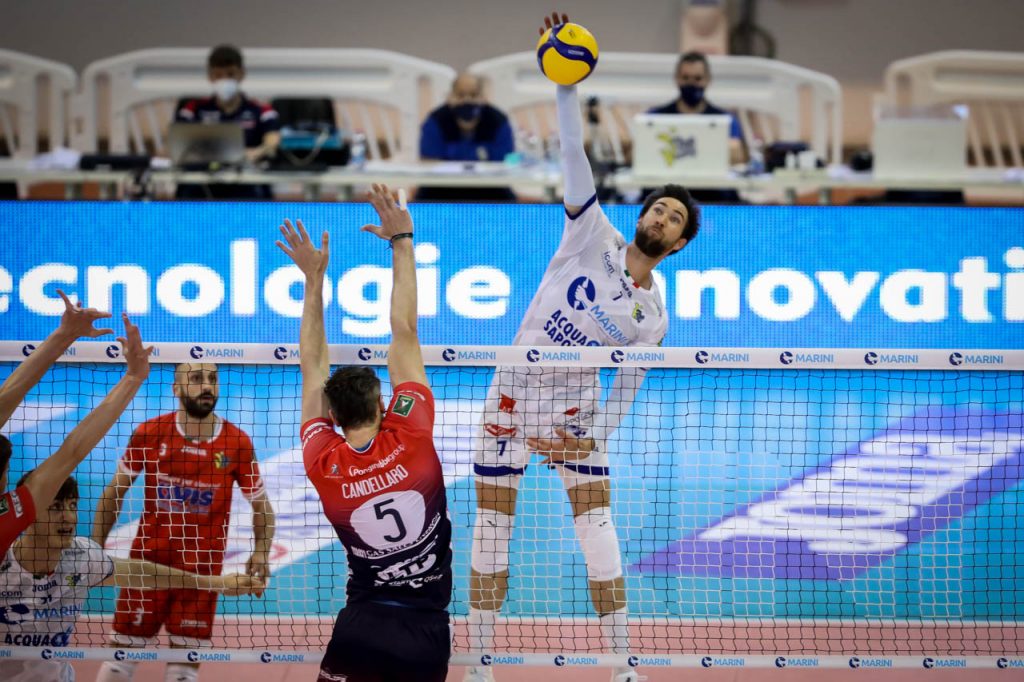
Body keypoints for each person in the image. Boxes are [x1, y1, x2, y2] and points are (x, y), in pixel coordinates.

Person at [463, 14, 701, 682]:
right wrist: (566, 84)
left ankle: (621, 664)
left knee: (599, 535)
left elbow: (628, 386)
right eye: (657, 208)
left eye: (674, 218)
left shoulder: (653, 318)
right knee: (491, 531)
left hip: (575, 412)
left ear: (679, 244)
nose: (661, 218)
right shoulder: (590, 231)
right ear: (641, 215)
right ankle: (479, 663)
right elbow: (573, 152)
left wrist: (593, 435)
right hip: (511, 397)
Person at [281, 185, 452, 681]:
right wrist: (402, 241)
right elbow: (405, 331)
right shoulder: (412, 434)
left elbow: (312, 365)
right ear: (383, 405)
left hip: (361, 623)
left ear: (332, 418)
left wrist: (314, 280)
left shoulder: (323, 459)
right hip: (425, 629)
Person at [92, 361, 276, 682]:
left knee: (183, 670)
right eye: (197, 378)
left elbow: (262, 506)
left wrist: (261, 551)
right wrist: (94, 547)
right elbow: (114, 492)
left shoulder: (237, 442)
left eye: (212, 379)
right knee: (120, 660)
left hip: (201, 575)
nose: (207, 386)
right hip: (147, 566)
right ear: (176, 389)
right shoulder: (150, 433)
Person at [1, 471, 264, 682]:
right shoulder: (3, 564)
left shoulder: (81, 557)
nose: (68, 517)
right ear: (29, 515)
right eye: (56, 507)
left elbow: (140, 572)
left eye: (72, 506)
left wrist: (216, 583)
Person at [0, 296, 140, 556]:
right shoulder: (6, 518)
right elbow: (73, 451)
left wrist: (65, 334)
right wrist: (133, 377)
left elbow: (6, 397)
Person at [174, 44, 281, 200]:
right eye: (219, 75)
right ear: (210, 76)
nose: (224, 80)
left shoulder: (261, 110)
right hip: (202, 182)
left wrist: (256, 153)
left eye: (230, 74)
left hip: (246, 183)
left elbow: (272, 142)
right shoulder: (192, 109)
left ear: (241, 74)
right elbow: (176, 145)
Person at [417, 72, 516, 202]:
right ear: (450, 97)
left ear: (483, 97)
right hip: (442, 187)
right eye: (461, 95)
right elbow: (429, 162)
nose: (467, 100)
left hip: (489, 187)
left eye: (473, 95)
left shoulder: (499, 121)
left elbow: (505, 162)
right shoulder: (435, 120)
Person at [649, 51, 745, 164]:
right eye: (685, 78)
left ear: (708, 80)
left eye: (698, 78)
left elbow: (739, 157)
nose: (691, 83)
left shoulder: (727, 121)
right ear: (676, 78)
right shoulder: (653, 118)